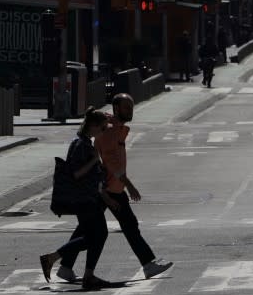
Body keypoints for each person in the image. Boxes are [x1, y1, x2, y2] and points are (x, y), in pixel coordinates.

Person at [57, 93, 173, 281]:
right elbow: (111, 162)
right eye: (127, 107)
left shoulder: (115, 128)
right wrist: (129, 185)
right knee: (122, 228)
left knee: (89, 229)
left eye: (132, 107)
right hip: (108, 189)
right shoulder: (109, 130)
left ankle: (65, 267)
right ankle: (147, 265)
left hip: (112, 188)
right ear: (116, 108)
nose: (131, 111)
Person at [40, 108, 111, 290]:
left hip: (89, 198)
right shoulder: (81, 145)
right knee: (97, 235)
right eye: (102, 128)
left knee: (94, 236)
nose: (103, 132)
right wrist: (94, 161)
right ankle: (55, 259)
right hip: (84, 199)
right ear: (93, 126)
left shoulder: (84, 142)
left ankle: (85, 273)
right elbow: (76, 174)